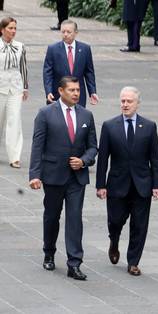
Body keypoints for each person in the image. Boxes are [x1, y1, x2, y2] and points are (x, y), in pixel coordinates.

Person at [29, 76, 98, 281]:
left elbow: (93, 146)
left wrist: (84, 161)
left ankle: (74, 263)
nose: (76, 93)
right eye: (72, 90)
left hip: (76, 178)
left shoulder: (86, 115)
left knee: (75, 218)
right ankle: (49, 251)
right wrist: (34, 174)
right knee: (52, 216)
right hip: (53, 176)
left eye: (78, 90)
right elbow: (37, 145)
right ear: (61, 91)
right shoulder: (45, 113)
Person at [96, 87, 158, 276]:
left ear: (137, 104)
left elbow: (155, 158)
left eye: (129, 101)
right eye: (123, 101)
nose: (125, 104)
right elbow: (103, 159)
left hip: (142, 184)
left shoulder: (149, 126)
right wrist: (101, 185)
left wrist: (157, 184)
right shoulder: (109, 126)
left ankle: (133, 261)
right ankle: (114, 241)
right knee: (115, 221)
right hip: (117, 183)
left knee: (140, 225)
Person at [43, 20, 98, 108]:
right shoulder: (53, 49)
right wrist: (48, 91)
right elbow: (48, 73)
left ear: (76, 33)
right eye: (63, 32)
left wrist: (92, 92)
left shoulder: (85, 49)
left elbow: (89, 73)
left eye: (68, 32)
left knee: (78, 119)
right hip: (59, 94)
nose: (65, 34)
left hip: (78, 94)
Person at [0, 17, 28, 169]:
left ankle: (14, 156)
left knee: (15, 121)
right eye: (10, 28)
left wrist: (25, 87)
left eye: (15, 28)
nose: (13, 31)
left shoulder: (20, 46)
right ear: (2, 29)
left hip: (15, 88)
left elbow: (23, 67)